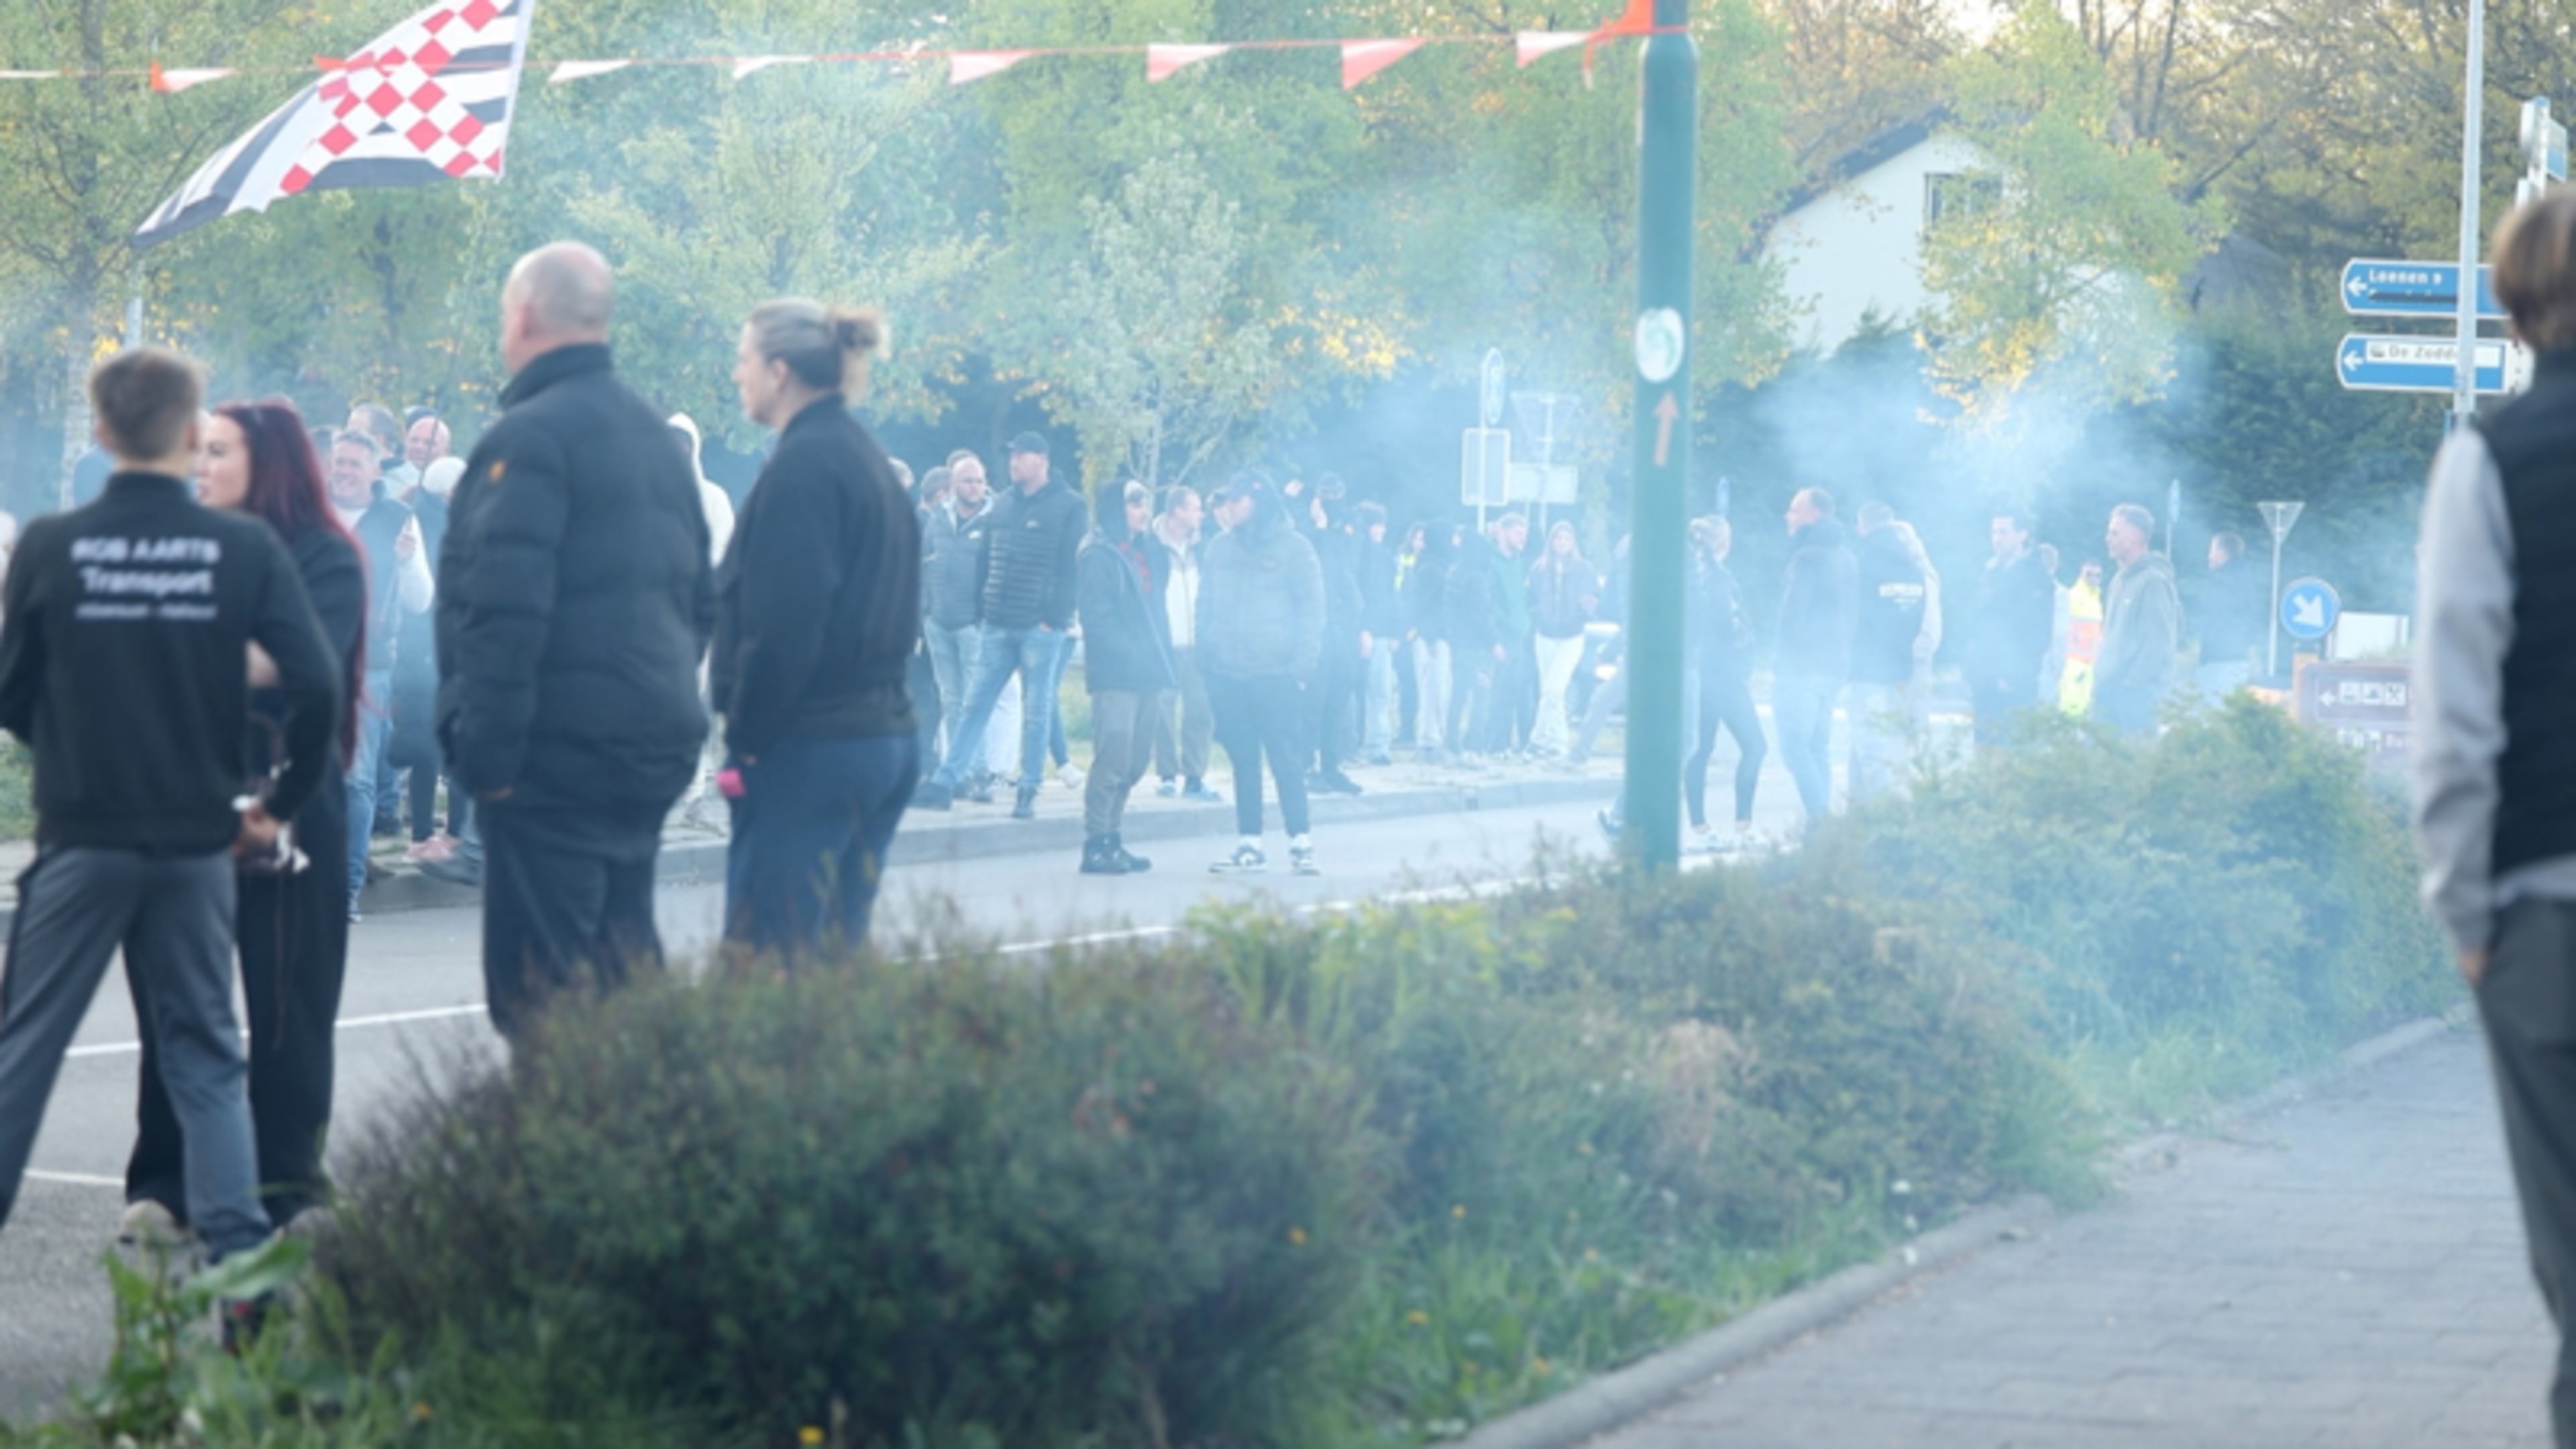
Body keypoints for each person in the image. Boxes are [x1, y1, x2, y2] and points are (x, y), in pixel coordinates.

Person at [0, 347, 341, 1285]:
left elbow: (11, 690)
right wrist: (279, 805)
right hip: (198, 840)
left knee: (23, 1054)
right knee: (206, 1058)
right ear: (192, 435)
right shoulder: (244, 550)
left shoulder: (52, 544)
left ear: (101, 432)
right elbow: (317, 683)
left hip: (84, 833)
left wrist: (71, 745)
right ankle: (242, 1273)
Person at [436, 241, 714, 1038]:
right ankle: (643, 1112)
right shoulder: (657, 440)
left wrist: (486, 760)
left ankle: (573, 1121)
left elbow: (501, 611)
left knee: (543, 997)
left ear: (524, 317)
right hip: (647, 745)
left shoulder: (528, 439)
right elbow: (699, 599)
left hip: (552, 758)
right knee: (624, 974)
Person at [121, 398, 366, 1240]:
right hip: (182, 801)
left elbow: (300, 667)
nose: (200, 465)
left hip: (290, 806)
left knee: (290, 1005)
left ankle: (289, 1186)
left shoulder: (325, 555)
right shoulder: (180, 546)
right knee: (175, 1004)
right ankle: (165, 1185)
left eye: (218, 451)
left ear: (271, 462)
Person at [2416, 190, 2576, 1448]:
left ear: (2515, 308)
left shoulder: (2491, 460)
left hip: (2548, 916)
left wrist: (2463, 911)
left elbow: (2455, 711)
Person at [712, 299, 918, 956]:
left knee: (769, 966)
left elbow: (785, 627)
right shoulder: (867, 461)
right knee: (831, 964)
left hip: (812, 747)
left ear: (779, 372)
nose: (736, 375)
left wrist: (747, 740)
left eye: (743, 360)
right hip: (879, 735)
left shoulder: (804, 468)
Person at [911, 432, 1085, 818]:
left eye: (1021, 456)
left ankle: (1028, 787)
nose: (1014, 462)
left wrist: (1054, 619)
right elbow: (986, 559)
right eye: (1012, 456)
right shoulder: (1003, 504)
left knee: (1037, 708)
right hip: (996, 622)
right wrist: (983, 609)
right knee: (974, 705)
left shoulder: (1069, 505)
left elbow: (1071, 569)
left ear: (1041, 460)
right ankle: (946, 781)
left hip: (1039, 627)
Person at [323, 428, 431, 918]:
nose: (342, 472)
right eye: (338, 462)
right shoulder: (311, 511)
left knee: (356, 780)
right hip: (307, 661)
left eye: (352, 464)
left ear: (373, 471)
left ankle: (345, 891)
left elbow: (420, 600)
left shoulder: (397, 519)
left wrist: (407, 563)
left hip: (368, 666)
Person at [1199, 474, 1324, 875]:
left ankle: (1300, 841)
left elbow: (1312, 610)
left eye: (1236, 500)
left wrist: (1300, 669)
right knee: (1243, 759)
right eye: (1227, 501)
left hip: (1277, 673)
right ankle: (1250, 842)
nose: (1229, 508)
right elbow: (1205, 605)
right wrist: (1207, 658)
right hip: (1228, 673)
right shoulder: (1219, 548)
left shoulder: (1295, 548)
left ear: (1258, 502)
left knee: (1285, 758)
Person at [1075, 481, 1175, 874]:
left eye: (1145, 504)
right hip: (1116, 673)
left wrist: (1160, 659)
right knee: (1113, 758)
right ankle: (1096, 843)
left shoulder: (1149, 551)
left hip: (1150, 670)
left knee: (1136, 761)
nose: (1143, 511)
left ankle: (1113, 839)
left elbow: (1157, 607)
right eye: (1134, 504)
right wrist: (1129, 652)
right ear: (1117, 509)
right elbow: (1097, 618)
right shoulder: (1098, 554)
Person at [1774, 488, 1858, 822]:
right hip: (1835, 665)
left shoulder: (1807, 558)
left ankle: (1820, 820)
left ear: (1814, 515)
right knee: (1818, 746)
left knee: (1795, 747)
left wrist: (1783, 662)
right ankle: (1822, 826)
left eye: (1795, 510)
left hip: (1802, 669)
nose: (1788, 516)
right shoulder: (1846, 556)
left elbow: (1792, 616)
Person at [1683, 517, 1766, 852]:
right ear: (1724, 543)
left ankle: (1699, 828)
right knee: (1755, 746)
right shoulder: (1720, 579)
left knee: (1700, 751)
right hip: (1725, 674)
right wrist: (1745, 660)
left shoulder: (1690, 577)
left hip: (1699, 672)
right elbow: (1732, 627)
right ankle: (1743, 825)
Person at [1845, 502, 1928, 806]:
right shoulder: (1912, 567)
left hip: (1867, 667)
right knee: (1874, 745)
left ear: (1863, 525)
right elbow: (1917, 618)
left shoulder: (1863, 561)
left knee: (1871, 749)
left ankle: (1884, 815)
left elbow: (1853, 614)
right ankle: (1858, 811)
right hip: (1900, 668)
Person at [920, 449, 994, 775]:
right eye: (967, 481)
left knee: (974, 701)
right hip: (938, 623)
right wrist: (926, 611)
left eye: (979, 481)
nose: (975, 487)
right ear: (952, 484)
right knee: (950, 700)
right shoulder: (938, 518)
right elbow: (924, 563)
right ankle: (957, 771)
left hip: (973, 624)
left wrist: (983, 616)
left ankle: (979, 771)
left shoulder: (993, 519)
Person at [1148, 484, 1222, 802]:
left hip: (1199, 645)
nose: (1201, 514)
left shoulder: (1204, 548)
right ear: (1177, 511)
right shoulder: (1152, 547)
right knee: (1162, 712)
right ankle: (1166, 774)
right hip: (1165, 644)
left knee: (1200, 711)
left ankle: (1195, 777)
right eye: (1195, 508)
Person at [1967, 509, 2056, 745]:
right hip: (1984, 678)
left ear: (2022, 535)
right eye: (1994, 532)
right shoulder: (1989, 572)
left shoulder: (2036, 577)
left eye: (2004, 532)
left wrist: (2012, 676)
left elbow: (2037, 634)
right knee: (1985, 750)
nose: (1997, 539)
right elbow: (1978, 624)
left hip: (2014, 684)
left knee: (2012, 751)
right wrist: (1972, 666)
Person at [2091, 504, 2180, 737]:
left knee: (2132, 756)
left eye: (2115, 533)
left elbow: (2158, 643)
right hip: (2108, 690)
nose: (2108, 539)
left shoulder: (2153, 581)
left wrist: (2131, 687)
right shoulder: (2117, 581)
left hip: (2134, 696)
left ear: (2137, 536)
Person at [1303, 482, 1366, 796]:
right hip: (1315, 628)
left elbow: (1350, 572)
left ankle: (1331, 766)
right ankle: (1307, 767)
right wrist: (1319, 527)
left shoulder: (1345, 531)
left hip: (1341, 626)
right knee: (1313, 701)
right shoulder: (1307, 533)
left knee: (1338, 698)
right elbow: (1319, 567)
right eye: (1326, 495)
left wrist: (1361, 624)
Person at [1527, 519, 1598, 757]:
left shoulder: (1584, 568)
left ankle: (1557, 740)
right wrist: (1538, 614)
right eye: (1558, 538)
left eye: (1567, 538)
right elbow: (1530, 598)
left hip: (1571, 636)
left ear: (1573, 542)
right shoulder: (1539, 568)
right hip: (1545, 634)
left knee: (1554, 688)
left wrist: (1586, 610)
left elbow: (1594, 598)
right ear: (1551, 541)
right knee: (1546, 689)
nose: (1562, 543)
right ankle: (1540, 740)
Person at [1354, 502, 1404, 766]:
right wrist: (1365, 628)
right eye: (1378, 525)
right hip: (1369, 631)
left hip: (1380, 631)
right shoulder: (1362, 556)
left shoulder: (1383, 556)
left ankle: (1377, 744)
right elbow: (1368, 594)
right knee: (1371, 692)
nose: (1382, 530)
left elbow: (1391, 594)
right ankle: (1367, 745)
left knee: (1378, 692)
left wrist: (1396, 629)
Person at [1405, 521, 1456, 763]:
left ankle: (1435, 739)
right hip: (1431, 640)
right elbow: (1424, 606)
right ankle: (1428, 743)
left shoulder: (1439, 565)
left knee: (1441, 690)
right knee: (1432, 691)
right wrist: (1431, 637)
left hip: (1441, 637)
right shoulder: (1430, 569)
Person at [2196, 530, 2263, 698]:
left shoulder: (2222, 581)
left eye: (2211, 551)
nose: (2209, 556)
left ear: (2222, 552)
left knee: (2214, 708)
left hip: (2219, 659)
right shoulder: (2245, 578)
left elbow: (2215, 619)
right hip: (2238, 657)